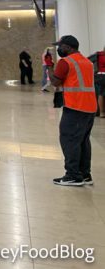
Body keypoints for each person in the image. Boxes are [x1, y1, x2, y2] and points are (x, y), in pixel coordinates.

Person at [50, 35, 97, 186]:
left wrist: (50, 67)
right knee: (83, 140)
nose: (59, 49)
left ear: (68, 47)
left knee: (69, 139)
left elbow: (55, 82)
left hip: (75, 107)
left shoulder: (65, 62)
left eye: (60, 46)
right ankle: (85, 174)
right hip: (90, 107)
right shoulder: (87, 62)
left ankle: (73, 175)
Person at [88, 46, 105, 118]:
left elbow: (87, 60)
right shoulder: (99, 55)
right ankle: (102, 112)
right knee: (101, 94)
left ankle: (101, 112)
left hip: (99, 77)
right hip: (102, 77)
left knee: (101, 93)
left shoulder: (98, 54)